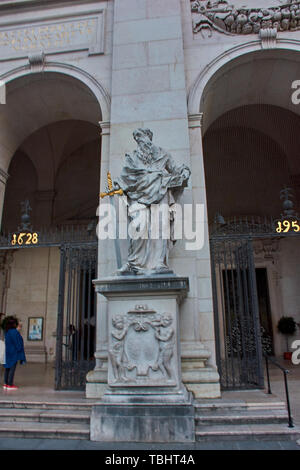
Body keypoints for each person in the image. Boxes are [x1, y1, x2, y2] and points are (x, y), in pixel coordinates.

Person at [114, 128, 191, 275]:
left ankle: (159, 263)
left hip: (160, 193)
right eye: (137, 139)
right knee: (138, 227)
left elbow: (176, 169)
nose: (139, 141)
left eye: (141, 137)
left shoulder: (163, 154)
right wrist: (117, 184)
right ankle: (134, 263)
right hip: (138, 195)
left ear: (149, 137)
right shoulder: (132, 157)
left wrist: (185, 171)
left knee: (160, 228)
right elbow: (126, 176)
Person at [3, 317, 26, 390]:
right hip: (13, 353)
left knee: (7, 368)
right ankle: (10, 384)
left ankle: (6, 384)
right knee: (12, 369)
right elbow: (18, 343)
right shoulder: (14, 332)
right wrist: (19, 349)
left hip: (7, 352)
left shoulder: (7, 331)